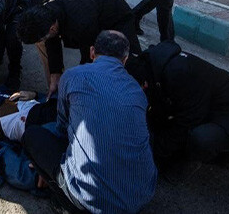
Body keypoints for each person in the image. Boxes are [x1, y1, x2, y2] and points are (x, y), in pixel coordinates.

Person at [22, 31, 157, 214]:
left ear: (92, 52)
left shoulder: (73, 76)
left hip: (89, 203)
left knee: (32, 136)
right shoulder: (137, 91)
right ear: (124, 60)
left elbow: (62, 127)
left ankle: (61, 200)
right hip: (141, 197)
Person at [125, 40, 229, 167]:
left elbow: (184, 123)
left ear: (144, 84)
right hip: (211, 110)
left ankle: (224, 154)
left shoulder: (177, 74)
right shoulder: (154, 68)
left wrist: (154, 156)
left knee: (200, 139)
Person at [16, 0, 141, 96]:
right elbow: (51, 40)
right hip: (88, 5)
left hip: (116, 15)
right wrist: (55, 73)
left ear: (53, 29)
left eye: (42, 37)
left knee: (130, 64)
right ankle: (57, 90)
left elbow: (89, 57)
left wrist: (79, 84)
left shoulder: (81, 22)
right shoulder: (43, 10)